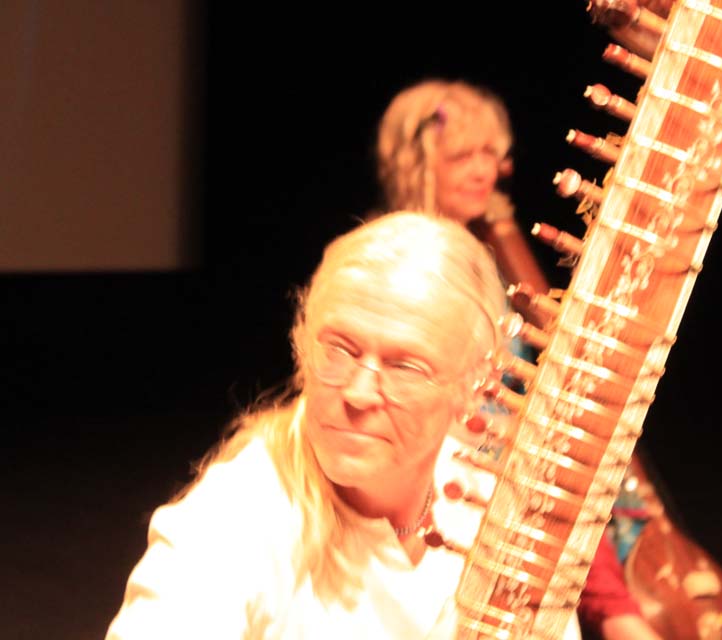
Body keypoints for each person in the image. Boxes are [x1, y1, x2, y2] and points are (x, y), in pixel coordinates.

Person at [104, 211, 581, 639]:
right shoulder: (236, 516)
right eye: (339, 349)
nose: (357, 393)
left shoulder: (488, 508)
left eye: (405, 367)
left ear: (477, 385)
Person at [372, 79, 663, 640]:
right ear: (416, 163)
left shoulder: (486, 253)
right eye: (463, 156)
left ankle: (618, 609)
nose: (483, 171)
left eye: (491, 154)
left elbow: (555, 355)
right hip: (439, 455)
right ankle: (617, 616)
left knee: (577, 471)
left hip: (508, 450)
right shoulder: (398, 258)